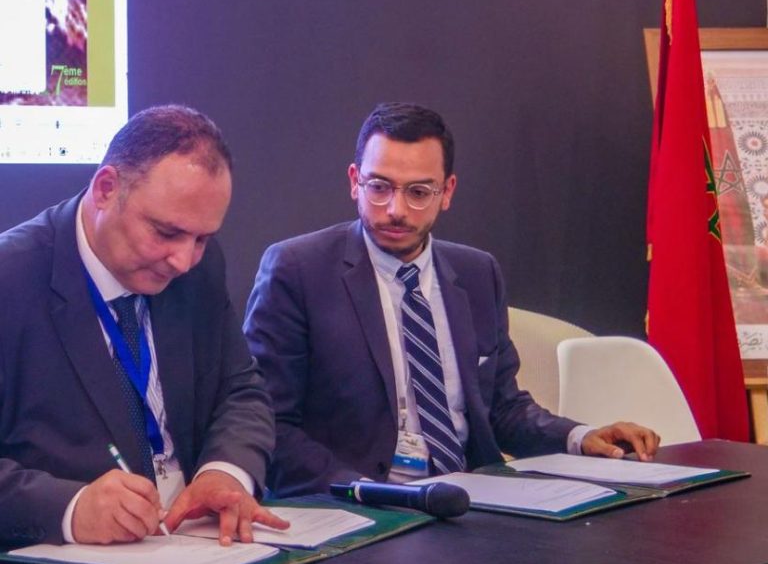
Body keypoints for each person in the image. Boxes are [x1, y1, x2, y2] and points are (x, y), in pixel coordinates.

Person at [244, 102, 660, 496]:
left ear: (447, 191)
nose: (396, 209)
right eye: (379, 187)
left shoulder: (478, 273)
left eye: (418, 192)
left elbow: (502, 409)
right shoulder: (298, 270)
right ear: (355, 181)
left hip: (470, 499)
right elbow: (269, 423)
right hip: (361, 505)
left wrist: (580, 437)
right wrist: (366, 492)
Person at [0, 105, 288, 546]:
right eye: (166, 233)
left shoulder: (199, 267)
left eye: (202, 238)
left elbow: (240, 391)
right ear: (106, 189)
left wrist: (224, 473)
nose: (184, 260)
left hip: (198, 546)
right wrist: (70, 508)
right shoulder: (11, 279)